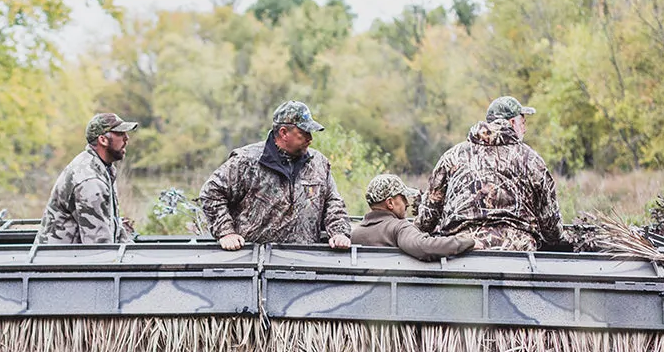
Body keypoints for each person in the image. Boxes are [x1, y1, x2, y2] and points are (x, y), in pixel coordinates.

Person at [415, 96, 564, 251]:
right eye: (523, 123)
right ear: (512, 122)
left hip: (461, 251)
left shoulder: (453, 156)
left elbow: (427, 218)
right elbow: (551, 225)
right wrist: (559, 241)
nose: (525, 129)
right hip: (518, 253)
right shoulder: (531, 159)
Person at [199, 101, 351, 250]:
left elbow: (333, 202)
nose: (310, 139)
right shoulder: (247, 161)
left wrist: (339, 233)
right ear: (284, 132)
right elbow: (211, 193)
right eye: (303, 133)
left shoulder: (319, 163)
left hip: (306, 262)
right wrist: (226, 232)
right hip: (256, 264)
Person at [37, 113, 137, 244]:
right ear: (103, 140)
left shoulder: (103, 168)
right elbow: (99, 248)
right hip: (58, 261)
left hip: (73, 258)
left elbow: (112, 229)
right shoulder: (90, 181)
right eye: (120, 134)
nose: (126, 138)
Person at [351, 173, 475, 260]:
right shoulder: (399, 227)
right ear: (390, 203)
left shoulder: (356, 233)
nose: (407, 203)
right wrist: (466, 241)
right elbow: (424, 247)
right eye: (403, 197)